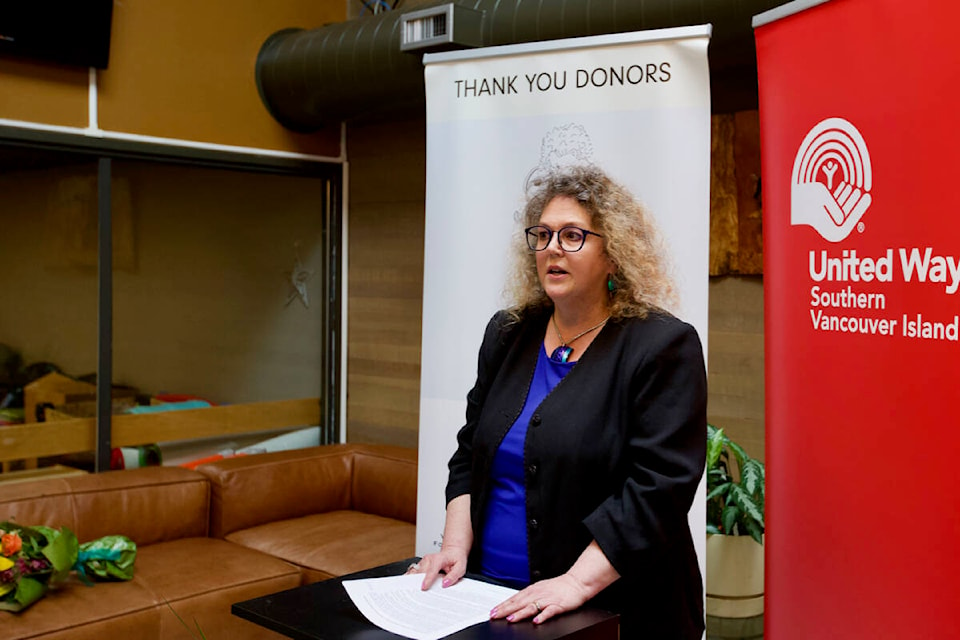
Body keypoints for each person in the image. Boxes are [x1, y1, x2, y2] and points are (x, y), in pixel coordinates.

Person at [412, 164, 707, 638]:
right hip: (492, 600)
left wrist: (574, 582)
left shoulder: (661, 346)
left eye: (573, 236)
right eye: (543, 235)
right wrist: (453, 546)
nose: (552, 247)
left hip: (612, 611)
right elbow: (471, 453)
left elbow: (659, 489)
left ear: (613, 253)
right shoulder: (508, 333)